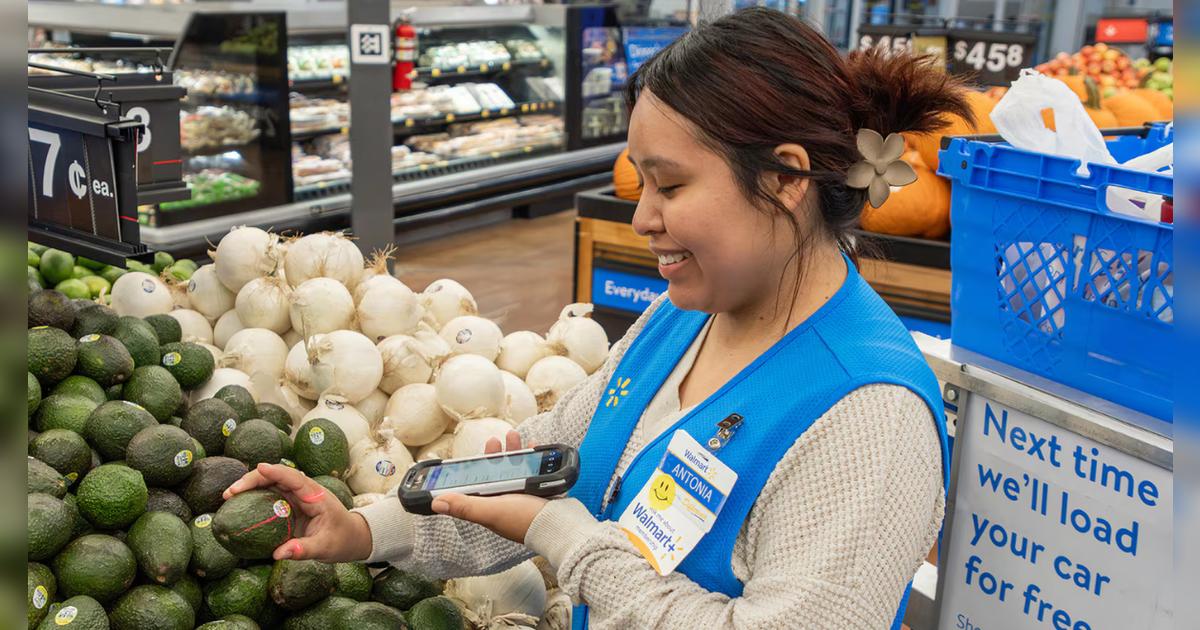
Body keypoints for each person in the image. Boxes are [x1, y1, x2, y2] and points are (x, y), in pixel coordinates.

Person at [225, 7, 973, 628]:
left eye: (671, 185)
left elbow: (554, 520)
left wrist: (570, 545)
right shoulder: (686, 318)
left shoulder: (871, 417)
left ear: (784, 177)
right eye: (639, 181)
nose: (643, 216)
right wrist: (363, 531)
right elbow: (547, 469)